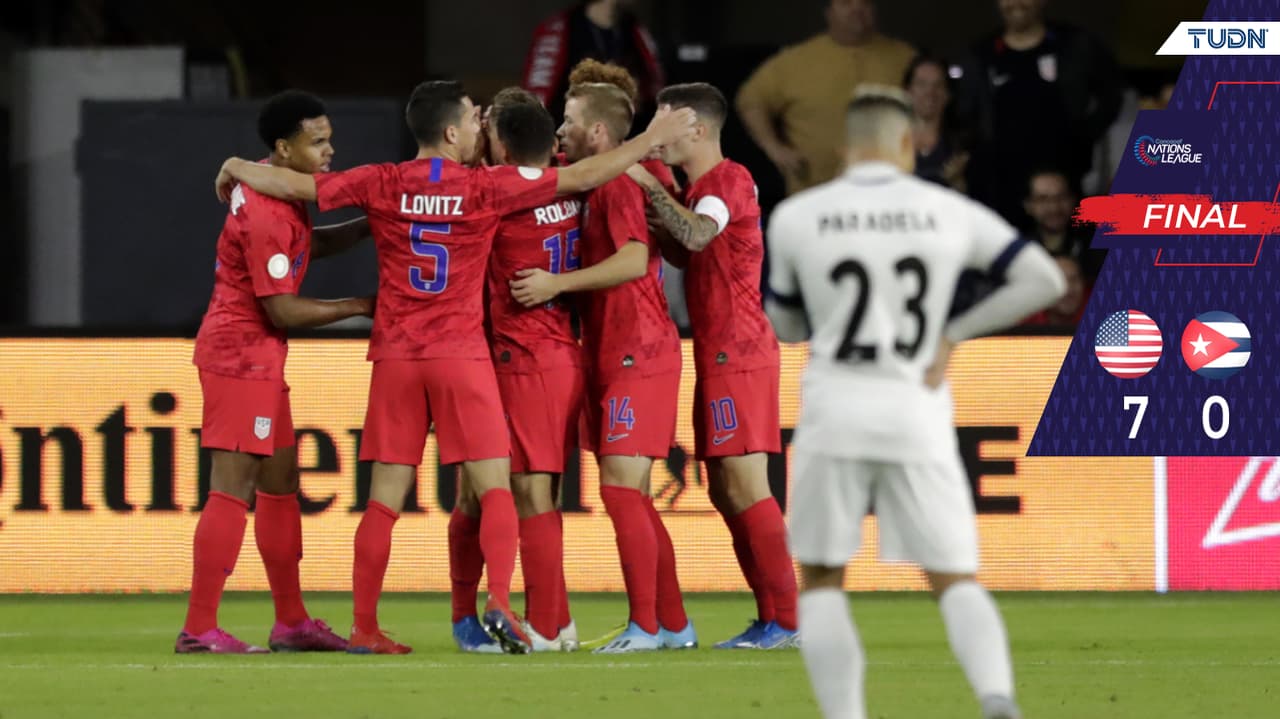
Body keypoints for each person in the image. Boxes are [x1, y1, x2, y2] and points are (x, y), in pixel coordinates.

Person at [213, 79, 697, 654]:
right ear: (449, 132)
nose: (478, 126)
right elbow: (581, 176)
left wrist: (238, 164)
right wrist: (650, 140)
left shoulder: (382, 181)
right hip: (463, 355)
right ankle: (499, 603)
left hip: (395, 353)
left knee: (383, 500)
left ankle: (364, 627)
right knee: (496, 490)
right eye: (471, 119)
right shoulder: (484, 188)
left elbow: (296, 184)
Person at [764, 88, 1065, 719]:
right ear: (908, 143)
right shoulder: (946, 209)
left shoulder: (797, 216)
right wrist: (953, 333)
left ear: (848, 146)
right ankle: (996, 699)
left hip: (833, 412)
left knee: (820, 579)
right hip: (916, 411)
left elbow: (786, 326)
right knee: (953, 576)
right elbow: (1043, 278)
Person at [178, 90, 373, 654]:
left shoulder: (272, 183)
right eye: (319, 142)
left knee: (281, 483)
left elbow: (300, 245)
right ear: (284, 149)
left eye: (330, 137)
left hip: (260, 358)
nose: (330, 150)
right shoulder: (266, 210)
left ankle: (291, 622)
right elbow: (281, 309)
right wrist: (359, 306)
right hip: (240, 356)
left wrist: (360, 230)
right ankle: (198, 628)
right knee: (231, 489)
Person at [509, 60, 694, 654]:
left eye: (568, 121)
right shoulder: (593, 179)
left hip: (638, 350)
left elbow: (636, 261)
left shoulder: (617, 183)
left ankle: (646, 626)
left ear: (597, 133)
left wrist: (557, 286)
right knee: (630, 495)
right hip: (617, 352)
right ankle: (673, 624)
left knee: (620, 491)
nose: (559, 130)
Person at [624, 82, 798, 650]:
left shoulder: (727, 180)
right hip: (719, 351)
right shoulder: (701, 187)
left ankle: (790, 622)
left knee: (747, 486)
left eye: (663, 121)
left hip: (740, 352)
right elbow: (688, 246)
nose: (656, 132)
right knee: (725, 490)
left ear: (695, 127)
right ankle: (771, 616)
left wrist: (647, 182)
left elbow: (699, 235)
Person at [448, 87, 584, 654]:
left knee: (526, 495)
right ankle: (552, 621)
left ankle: (548, 626)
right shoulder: (569, 185)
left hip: (522, 357)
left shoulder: (498, 193)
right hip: (551, 352)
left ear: (499, 142)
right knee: (481, 495)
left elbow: (458, 188)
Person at [956, 0, 1122, 226]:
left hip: (1062, 191)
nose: (1016, 3)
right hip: (998, 193)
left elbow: (1112, 97)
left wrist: (1082, 137)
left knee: (1063, 259)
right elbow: (964, 114)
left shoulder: (1074, 45)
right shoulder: (981, 54)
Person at [736, 0, 914, 195]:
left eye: (865, 3)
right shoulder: (794, 61)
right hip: (812, 192)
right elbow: (751, 101)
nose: (857, 9)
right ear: (828, 12)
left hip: (892, 192)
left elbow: (932, 106)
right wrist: (774, 148)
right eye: (846, 3)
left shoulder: (906, 58)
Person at [523, 0, 663, 123]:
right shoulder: (559, 30)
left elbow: (654, 91)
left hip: (626, 139)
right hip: (571, 143)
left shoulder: (635, 30)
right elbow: (536, 103)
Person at [903, 54, 967, 192]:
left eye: (938, 85)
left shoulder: (963, 145)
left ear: (948, 94)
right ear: (907, 92)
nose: (930, 92)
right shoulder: (886, 144)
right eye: (921, 84)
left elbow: (978, 207)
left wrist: (957, 182)